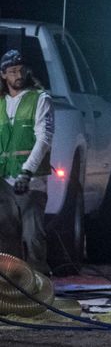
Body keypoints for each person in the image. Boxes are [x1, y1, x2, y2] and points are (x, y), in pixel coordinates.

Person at [0, 49, 53, 274]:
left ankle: (39, 291)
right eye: (12, 71)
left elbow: (44, 138)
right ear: (3, 75)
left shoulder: (40, 99)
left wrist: (27, 171)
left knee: (33, 239)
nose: (18, 75)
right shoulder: (1, 103)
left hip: (31, 183)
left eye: (21, 70)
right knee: (6, 241)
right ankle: (12, 293)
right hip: (4, 183)